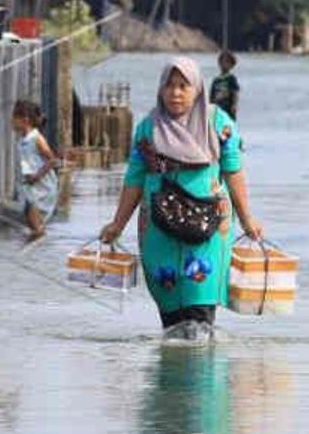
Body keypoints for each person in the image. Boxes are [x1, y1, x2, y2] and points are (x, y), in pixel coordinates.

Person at [100, 57, 263, 331]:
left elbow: (234, 172)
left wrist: (248, 220)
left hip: (208, 226)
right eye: (169, 86)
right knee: (171, 311)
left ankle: (202, 369)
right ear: (160, 89)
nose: (175, 93)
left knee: (201, 305)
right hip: (159, 228)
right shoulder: (148, 128)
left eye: (183, 86)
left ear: (197, 89)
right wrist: (117, 224)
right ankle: (173, 369)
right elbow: (134, 180)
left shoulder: (218, 123)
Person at [11, 100, 59, 243]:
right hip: (30, 186)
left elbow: (52, 160)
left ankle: (34, 249)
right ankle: (34, 247)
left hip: (41, 186)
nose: (11, 121)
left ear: (25, 120)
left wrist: (37, 176)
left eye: (14, 119)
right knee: (31, 220)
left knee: (35, 223)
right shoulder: (23, 139)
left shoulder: (37, 138)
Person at [209, 51, 240, 121]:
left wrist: (234, 105)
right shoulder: (216, 80)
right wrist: (210, 107)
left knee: (228, 127)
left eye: (227, 62)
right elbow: (212, 95)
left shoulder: (231, 78)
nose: (224, 64)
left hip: (228, 109)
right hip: (217, 109)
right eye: (222, 62)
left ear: (231, 65)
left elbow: (235, 92)